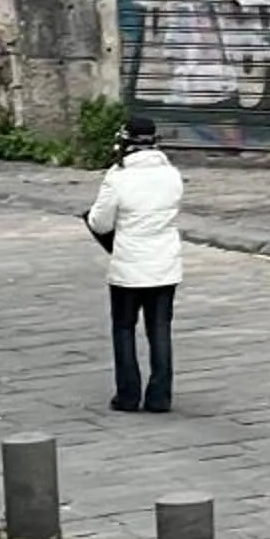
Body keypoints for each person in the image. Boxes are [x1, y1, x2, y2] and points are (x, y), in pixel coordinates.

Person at [85, 117, 185, 414]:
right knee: (160, 329)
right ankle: (160, 396)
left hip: (129, 265)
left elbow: (100, 222)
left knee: (124, 327)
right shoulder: (172, 174)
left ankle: (128, 396)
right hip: (165, 263)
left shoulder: (118, 177)